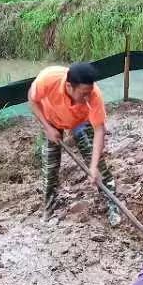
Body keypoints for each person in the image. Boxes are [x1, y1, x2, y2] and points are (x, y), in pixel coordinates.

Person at [28, 62, 120, 227]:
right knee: (50, 168)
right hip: (52, 119)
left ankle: (113, 206)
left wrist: (93, 167)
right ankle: (49, 208)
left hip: (80, 122)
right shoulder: (48, 79)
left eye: (89, 93)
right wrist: (47, 128)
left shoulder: (94, 95)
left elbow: (99, 130)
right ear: (69, 86)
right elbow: (32, 98)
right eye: (83, 94)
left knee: (99, 167)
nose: (87, 98)